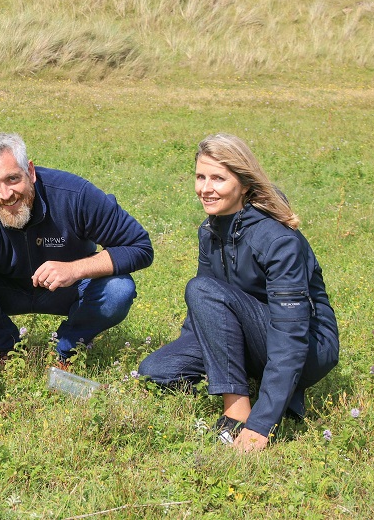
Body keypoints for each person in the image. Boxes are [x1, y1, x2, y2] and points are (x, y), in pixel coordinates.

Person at [138, 133, 339, 452]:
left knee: (201, 289)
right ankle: (241, 384)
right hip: (252, 334)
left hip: (308, 346)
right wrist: (188, 354)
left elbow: (291, 337)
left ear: (244, 183)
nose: (205, 188)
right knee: (155, 373)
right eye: (200, 177)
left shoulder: (278, 241)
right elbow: (204, 309)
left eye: (218, 178)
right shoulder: (211, 230)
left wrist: (261, 426)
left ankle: (238, 414)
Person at [0, 131, 154, 396]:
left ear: (31, 172)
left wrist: (75, 269)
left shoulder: (74, 195)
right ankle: (8, 348)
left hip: (67, 289)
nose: (5, 194)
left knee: (118, 289)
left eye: (13, 179)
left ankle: (67, 349)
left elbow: (139, 246)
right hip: (5, 291)